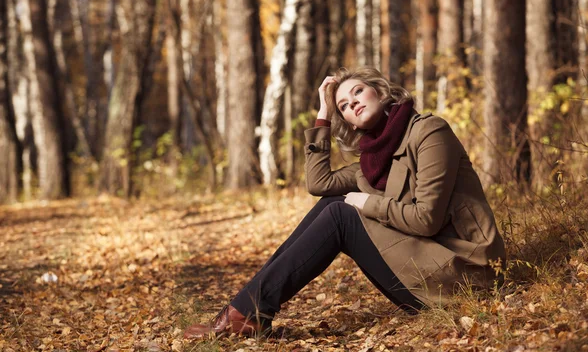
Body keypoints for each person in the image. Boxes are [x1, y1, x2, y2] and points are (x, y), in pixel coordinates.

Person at [183, 67, 506, 339]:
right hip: (422, 273)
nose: (352, 103)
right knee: (333, 203)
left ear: (380, 92)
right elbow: (319, 184)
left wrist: (367, 203)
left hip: (463, 276)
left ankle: (247, 313)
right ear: (348, 122)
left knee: (341, 212)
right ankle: (248, 312)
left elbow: (426, 220)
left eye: (358, 92)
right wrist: (323, 114)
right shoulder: (372, 161)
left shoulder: (429, 132)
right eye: (343, 106)